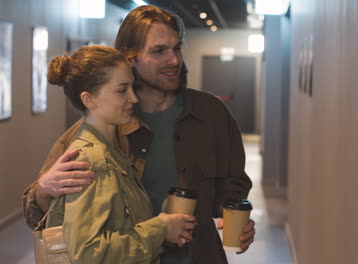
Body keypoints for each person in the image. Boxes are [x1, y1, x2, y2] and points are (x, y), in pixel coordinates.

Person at [23, 5, 255, 264]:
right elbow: (41, 216)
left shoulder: (211, 113)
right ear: (129, 59)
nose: (175, 60)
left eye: (177, 48)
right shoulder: (95, 134)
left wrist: (234, 215)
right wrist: (44, 190)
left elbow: (233, 184)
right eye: (158, 51)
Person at [43, 45, 196, 263]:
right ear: (89, 100)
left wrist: (167, 219)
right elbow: (88, 253)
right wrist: (160, 228)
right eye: (122, 90)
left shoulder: (111, 152)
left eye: (132, 88)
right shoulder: (94, 161)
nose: (133, 98)